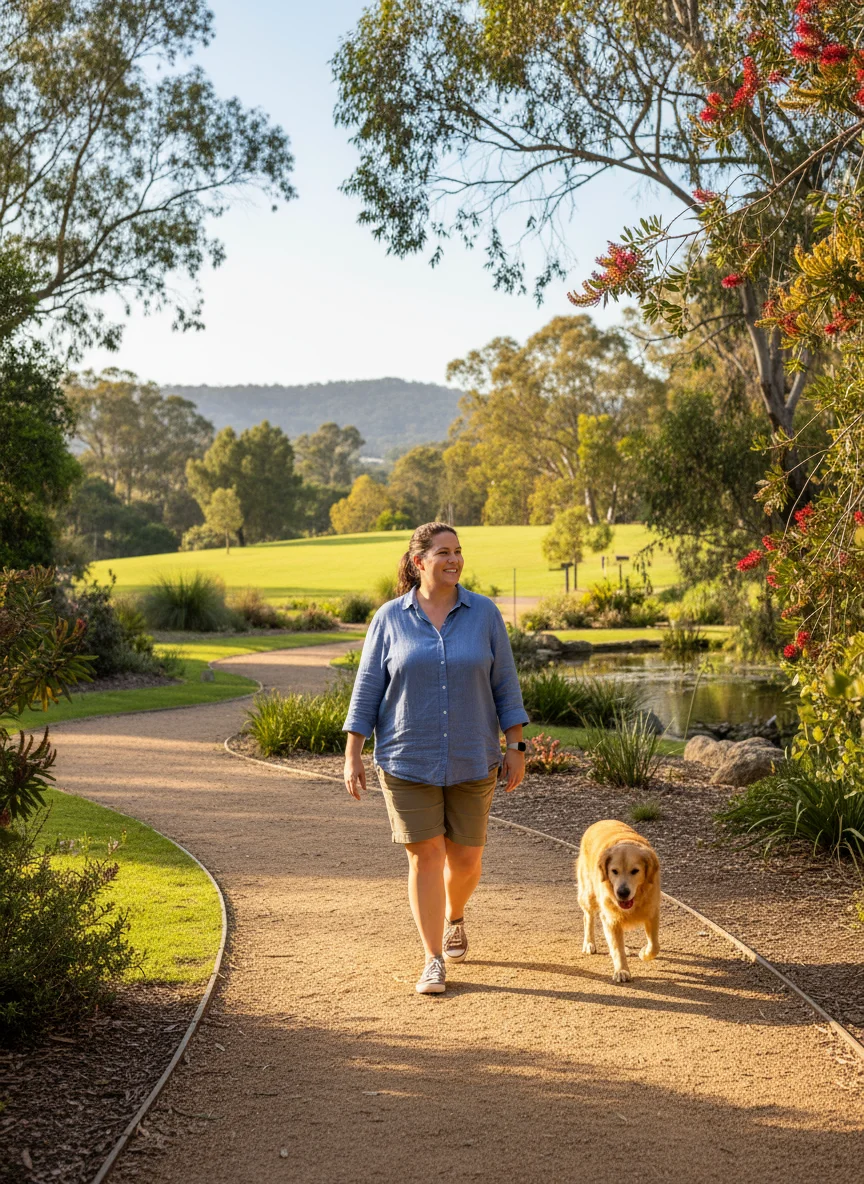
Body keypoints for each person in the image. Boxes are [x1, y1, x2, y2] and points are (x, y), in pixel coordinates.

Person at [343, 521, 528, 995]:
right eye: (443, 552)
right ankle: (432, 958)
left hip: (473, 755)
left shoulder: (484, 614)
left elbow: (505, 683)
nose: (454, 560)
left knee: (465, 861)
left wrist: (516, 746)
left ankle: (455, 914)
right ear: (417, 561)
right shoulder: (388, 618)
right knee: (426, 856)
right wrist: (353, 754)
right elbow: (367, 690)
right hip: (407, 757)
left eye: (458, 551)